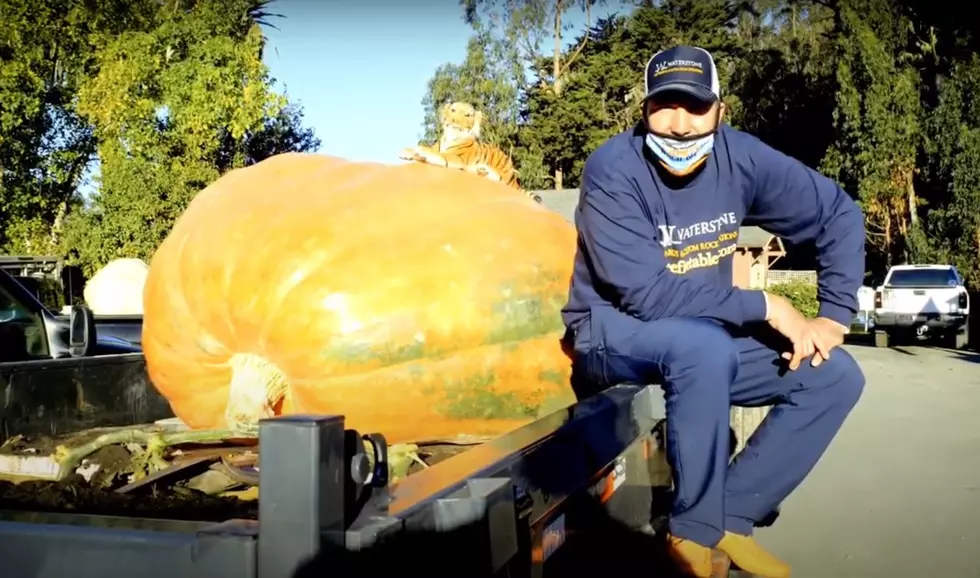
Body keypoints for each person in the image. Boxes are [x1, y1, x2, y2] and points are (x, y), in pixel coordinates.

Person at [561, 45, 866, 578]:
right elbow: (647, 296)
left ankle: (731, 515)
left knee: (833, 375)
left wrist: (834, 315)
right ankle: (691, 537)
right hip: (611, 330)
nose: (679, 125)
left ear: (720, 110)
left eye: (695, 106)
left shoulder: (740, 158)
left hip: (704, 335)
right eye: (665, 105)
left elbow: (838, 213)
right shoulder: (612, 171)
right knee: (703, 348)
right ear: (644, 109)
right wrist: (768, 306)